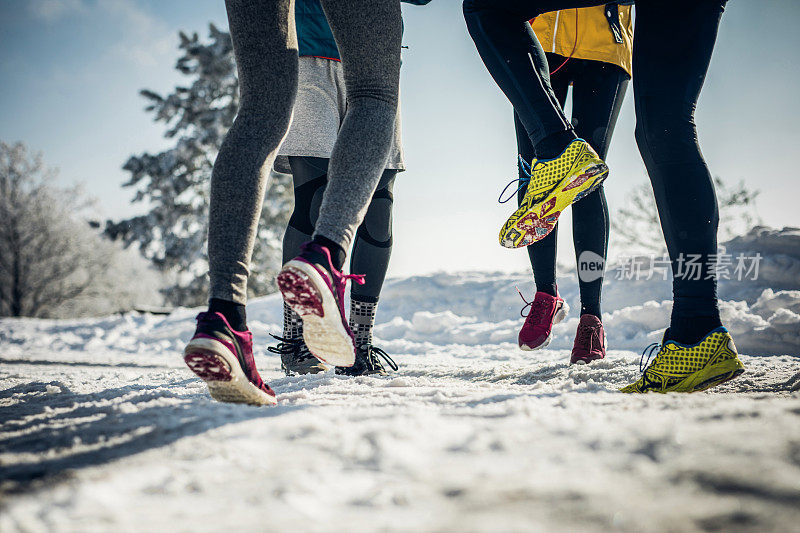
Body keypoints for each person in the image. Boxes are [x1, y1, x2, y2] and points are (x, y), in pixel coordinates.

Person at [463, 0, 745, 393]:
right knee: (664, 130)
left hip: (606, 43)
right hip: (555, 38)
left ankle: (595, 313)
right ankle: (697, 328)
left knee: (486, 6)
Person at [183, 0, 404, 406]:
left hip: (308, 40)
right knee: (371, 102)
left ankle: (225, 318)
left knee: (258, 114)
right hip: (314, 51)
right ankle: (304, 320)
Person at [269, 0, 429, 377]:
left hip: (377, 64)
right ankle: (297, 337)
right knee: (314, 197)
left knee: (380, 205)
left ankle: (359, 342)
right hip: (309, 51)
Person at [510, 6, 631, 365]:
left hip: (605, 43)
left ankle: (591, 316)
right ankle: (546, 294)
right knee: (535, 172)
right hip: (540, 38)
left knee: (587, 179)